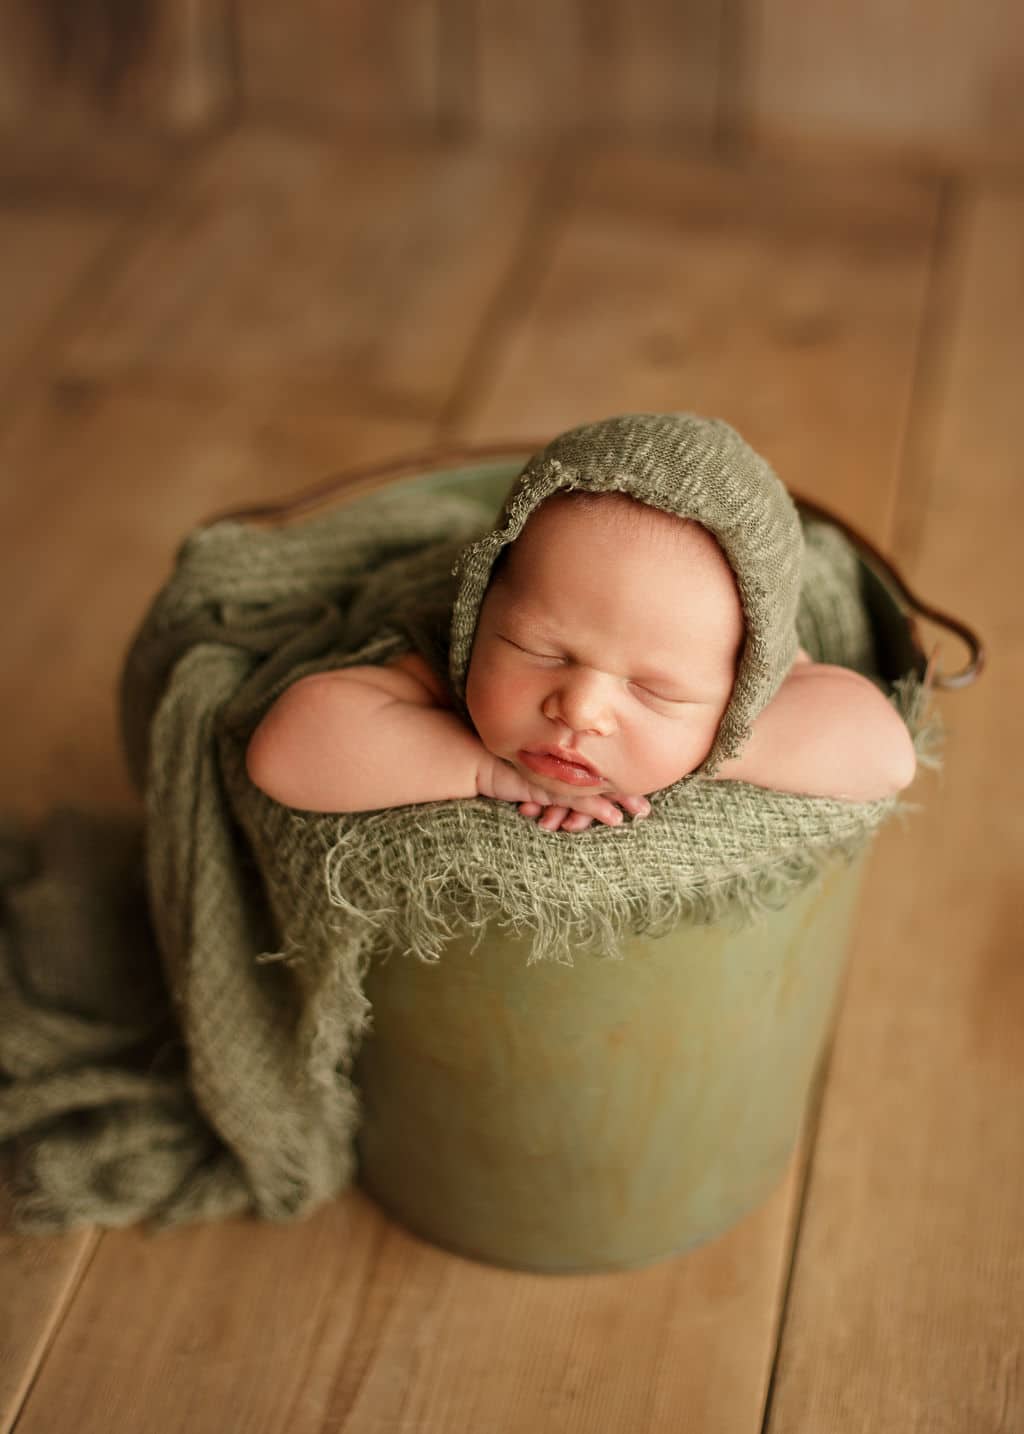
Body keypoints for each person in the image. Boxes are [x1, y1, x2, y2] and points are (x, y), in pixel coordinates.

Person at [245, 487, 917, 833]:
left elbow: (887, 755)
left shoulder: (746, 668)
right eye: (541, 651)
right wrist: (482, 767)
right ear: (482, 615)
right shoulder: (447, 652)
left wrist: (711, 747)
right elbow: (285, 751)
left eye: (656, 691)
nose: (579, 708)